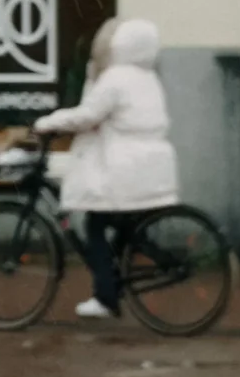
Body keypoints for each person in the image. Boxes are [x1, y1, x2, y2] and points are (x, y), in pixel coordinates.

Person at [33, 17, 178, 319]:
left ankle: (105, 297)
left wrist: (47, 123)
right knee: (124, 226)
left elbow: (87, 116)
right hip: (152, 171)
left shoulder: (115, 78)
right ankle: (121, 277)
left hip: (123, 171)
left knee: (94, 226)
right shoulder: (148, 77)